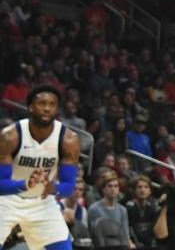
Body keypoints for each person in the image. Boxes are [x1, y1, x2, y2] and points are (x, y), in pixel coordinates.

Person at [0, 85, 82, 250]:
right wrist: (25, 184)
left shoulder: (69, 140)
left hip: (41, 201)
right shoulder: (10, 136)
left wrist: (54, 188)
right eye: (42, 103)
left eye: (52, 104)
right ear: (30, 107)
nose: (46, 108)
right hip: (6, 200)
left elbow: (68, 186)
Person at [88, 174, 132, 250]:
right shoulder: (94, 209)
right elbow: (94, 235)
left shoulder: (122, 210)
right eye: (110, 186)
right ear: (103, 189)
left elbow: (125, 234)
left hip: (120, 246)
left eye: (116, 186)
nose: (113, 189)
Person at [125, 177, 159, 249]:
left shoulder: (152, 208)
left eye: (146, 187)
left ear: (150, 191)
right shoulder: (128, 208)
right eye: (139, 187)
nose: (142, 190)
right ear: (134, 190)